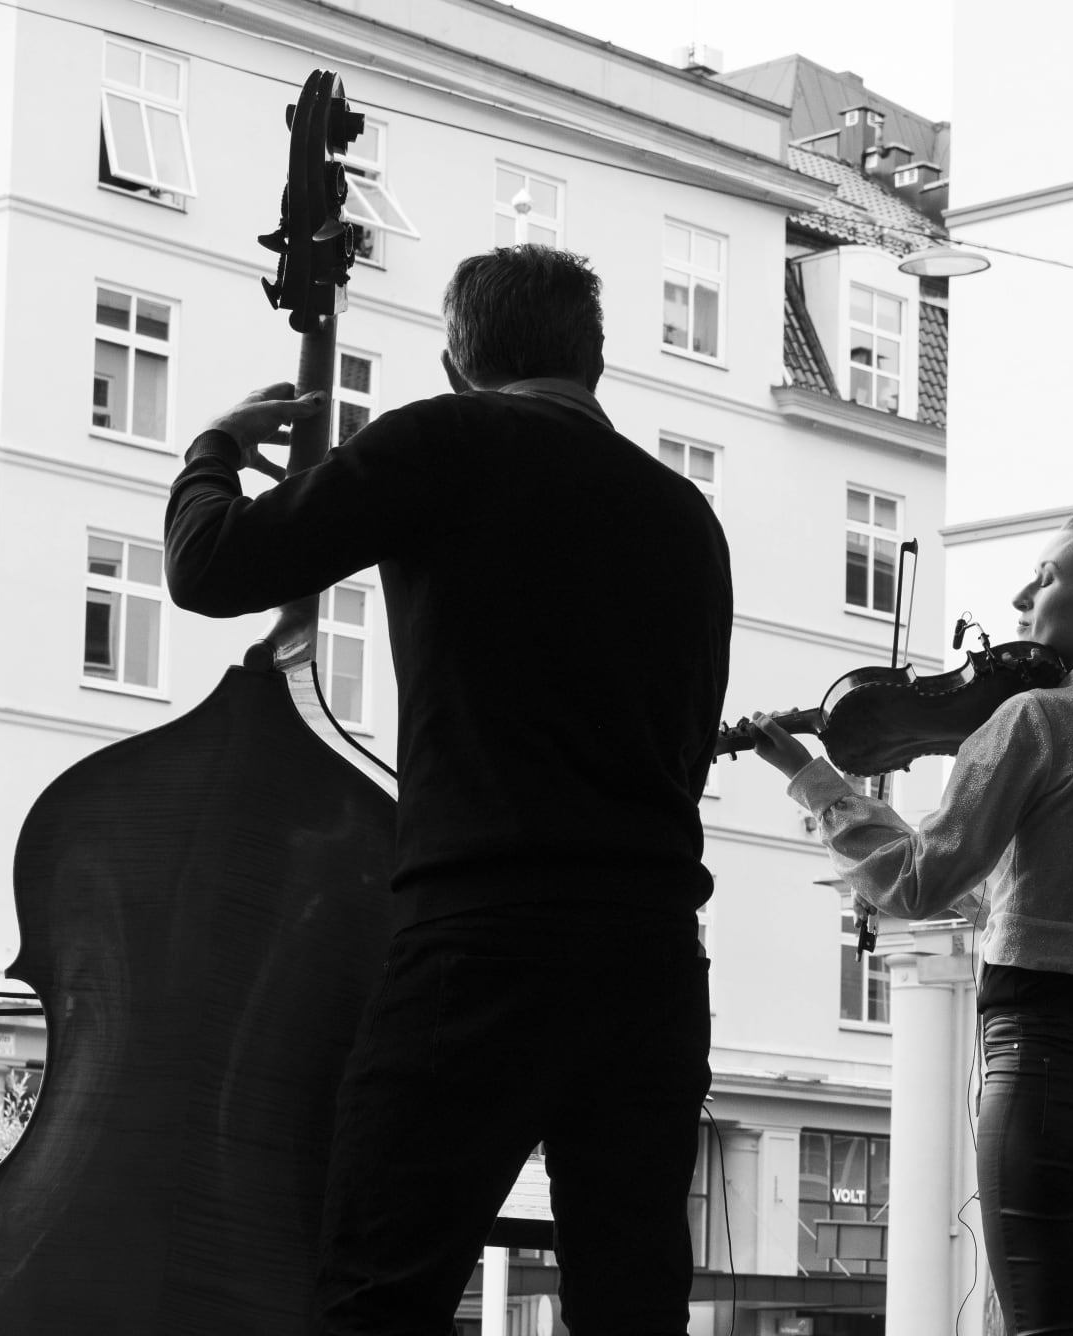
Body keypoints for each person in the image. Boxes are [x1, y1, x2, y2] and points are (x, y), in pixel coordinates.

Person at [163, 245, 732, 1336]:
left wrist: (216, 449)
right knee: (632, 1305)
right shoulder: (683, 513)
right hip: (654, 958)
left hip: (485, 937)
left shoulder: (446, 438)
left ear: (457, 360)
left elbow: (212, 567)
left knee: (382, 1288)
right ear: (596, 358)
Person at [740, 511, 1073, 1336]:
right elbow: (1023, 902)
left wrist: (813, 781)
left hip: (1045, 1067)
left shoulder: (1036, 719)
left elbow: (913, 882)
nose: (1026, 595)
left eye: (1049, 576)